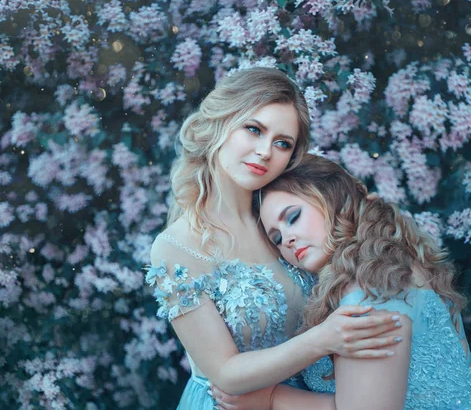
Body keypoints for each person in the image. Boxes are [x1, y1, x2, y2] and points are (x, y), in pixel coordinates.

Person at [145, 68, 405, 410]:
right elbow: (224, 373)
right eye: (254, 129)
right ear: (221, 123)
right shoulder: (176, 247)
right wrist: (324, 339)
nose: (265, 151)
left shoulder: (286, 222)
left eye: (283, 143)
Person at [213, 154, 471, 410]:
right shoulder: (388, 262)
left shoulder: (372, 286)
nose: (286, 239)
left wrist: (273, 399)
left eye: (293, 217)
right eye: (275, 238)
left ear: (333, 199)